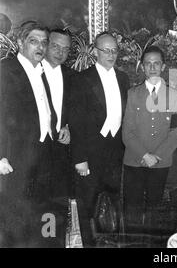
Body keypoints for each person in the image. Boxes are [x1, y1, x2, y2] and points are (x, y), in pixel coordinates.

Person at [69, 32, 130, 245]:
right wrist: (80, 158)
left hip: (115, 151)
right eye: (106, 50)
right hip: (89, 153)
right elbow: (75, 123)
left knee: (111, 204)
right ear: (95, 51)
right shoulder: (82, 79)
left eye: (114, 50)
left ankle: (110, 243)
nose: (111, 54)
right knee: (89, 206)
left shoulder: (123, 78)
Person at [0, 21, 56, 244]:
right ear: (21, 42)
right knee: (15, 217)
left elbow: (42, 110)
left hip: (43, 154)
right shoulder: (5, 70)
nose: (40, 47)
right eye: (34, 41)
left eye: (44, 42)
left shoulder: (40, 70)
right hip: (16, 157)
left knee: (41, 215)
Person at [122, 46, 177, 211]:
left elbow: (176, 131)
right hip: (135, 160)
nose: (153, 67)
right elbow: (127, 132)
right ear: (142, 67)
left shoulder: (175, 96)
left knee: (154, 209)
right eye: (148, 63)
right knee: (131, 209)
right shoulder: (132, 94)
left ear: (163, 67)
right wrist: (144, 155)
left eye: (157, 63)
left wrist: (156, 156)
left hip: (160, 162)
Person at [42, 29, 74, 200]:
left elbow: (77, 111)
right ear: (46, 45)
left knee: (58, 203)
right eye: (55, 46)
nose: (60, 52)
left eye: (65, 48)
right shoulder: (32, 73)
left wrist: (69, 127)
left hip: (61, 150)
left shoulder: (73, 77)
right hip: (35, 151)